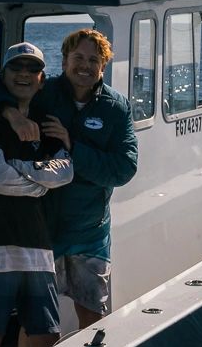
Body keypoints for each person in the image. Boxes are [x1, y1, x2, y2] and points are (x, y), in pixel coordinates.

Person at [0, 42, 73, 347]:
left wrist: (22, 170)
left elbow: (65, 171)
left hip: (37, 248)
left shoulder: (45, 121)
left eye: (32, 69)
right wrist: (39, 184)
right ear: (2, 75)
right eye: (16, 68)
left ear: (42, 78)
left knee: (46, 340)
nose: (24, 74)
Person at [32, 28, 138, 329]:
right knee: (37, 324)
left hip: (89, 231)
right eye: (78, 57)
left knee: (92, 317)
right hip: (41, 230)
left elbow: (124, 168)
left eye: (94, 59)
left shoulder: (116, 107)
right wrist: (10, 113)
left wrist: (72, 147)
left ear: (103, 66)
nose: (85, 65)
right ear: (64, 60)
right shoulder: (43, 94)